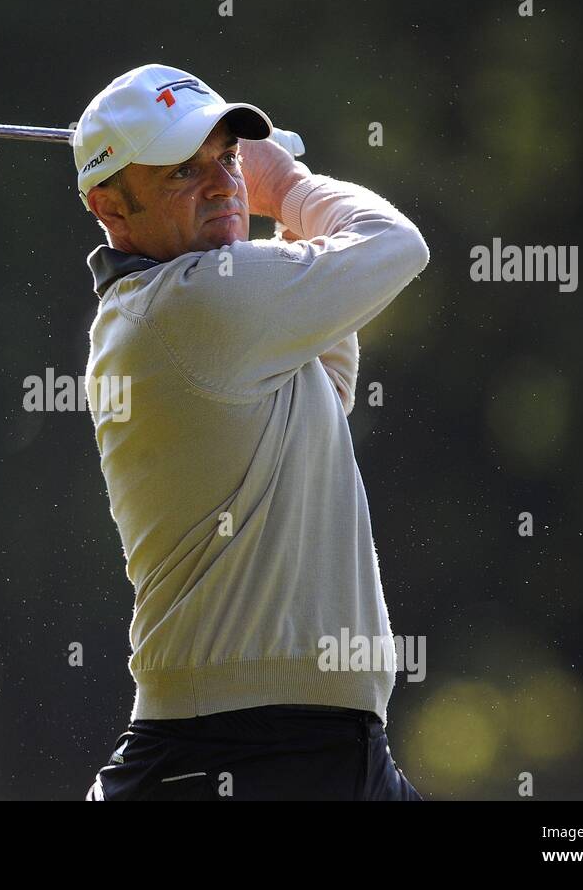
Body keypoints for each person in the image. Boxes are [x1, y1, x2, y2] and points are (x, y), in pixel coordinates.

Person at [74, 64, 430, 800]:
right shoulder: (186, 308)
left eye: (226, 158)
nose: (220, 183)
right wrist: (289, 185)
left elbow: (326, 374)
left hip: (335, 750)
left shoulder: (216, 311)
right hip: (234, 752)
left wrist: (270, 193)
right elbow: (393, 246)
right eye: (182, 170)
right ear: (110, 205)